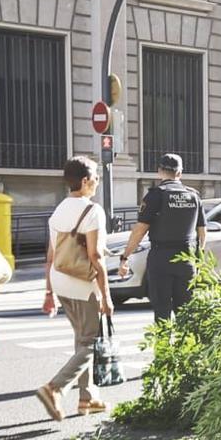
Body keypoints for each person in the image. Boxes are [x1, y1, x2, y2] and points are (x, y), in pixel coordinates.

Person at [36, 155, 115, 420]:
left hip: (60, 280)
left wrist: (48, 292)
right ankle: (54, 388)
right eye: (95, 177)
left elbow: (51, 255)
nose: (97, 181)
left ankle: (88, 398)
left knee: (81, 339)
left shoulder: (59, 209)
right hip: (82, 284)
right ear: (84, 181)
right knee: (90, 342)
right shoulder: (93, 211)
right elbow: (96, 257)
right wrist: (106, 295)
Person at [116, 153, 203, 324]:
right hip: (187, 259)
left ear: (159, 171)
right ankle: (185, 349)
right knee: (186, 313)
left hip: (161, 259)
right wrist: (198, 259)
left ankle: (164, 349)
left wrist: (125, 257)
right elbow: (202, 232)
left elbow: (139, 231)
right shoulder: (193, 196)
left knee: (162, 311)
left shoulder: (155, 195)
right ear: (180, 173)